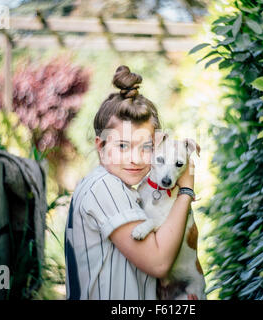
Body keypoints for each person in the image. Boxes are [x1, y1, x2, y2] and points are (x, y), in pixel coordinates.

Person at [64, 65, 195, 300]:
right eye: (122, 146)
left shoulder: (104, 183)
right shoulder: (106, 187)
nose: (135, 158)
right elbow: (158, 263)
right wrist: (186, 190)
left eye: (146, 147)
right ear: (101, 145)